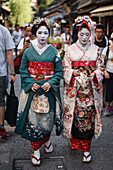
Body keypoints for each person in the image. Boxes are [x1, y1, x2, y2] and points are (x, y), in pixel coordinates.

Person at [15, 18, 63, 166]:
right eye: (40, 32)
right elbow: (23, 71)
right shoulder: (28, 52)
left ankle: (47, 139)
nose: (42, 36)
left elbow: (59, 72)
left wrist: (51, 82)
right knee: (33, 121)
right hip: (33, 90)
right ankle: (36, 150)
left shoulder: (54, 51)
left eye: (45, 33)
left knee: (47, 120)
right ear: (35, 33)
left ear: (49, 34)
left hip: (48, 90)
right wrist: (30, 83)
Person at [62, 16, 104, 163]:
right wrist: (72, 72)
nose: (85, 37)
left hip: (91, 91)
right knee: (75, 117)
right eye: (81, 34)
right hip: (76, 91)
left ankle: (86, 149)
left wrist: (95, 73)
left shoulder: (96, 49)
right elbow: (65, 68)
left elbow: (101, 67)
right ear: (76, 34)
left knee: (88, 119)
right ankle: (75, 143)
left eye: (87, 34)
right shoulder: (70, 50)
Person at [0, 24, 15, 140]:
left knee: (0, 100)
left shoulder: (4, 31)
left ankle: (1, 127)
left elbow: (9, 52)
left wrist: (12, 73)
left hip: (1, 72)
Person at [102, 33, 113, 116]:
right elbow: (101, 62)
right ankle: (108, 106)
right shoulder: (107, 49)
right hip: (109, 72)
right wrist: (105, 71)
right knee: (108, 90)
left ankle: (111, 107)